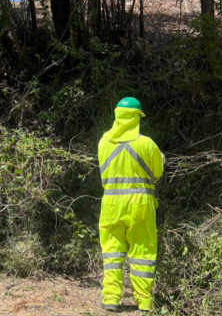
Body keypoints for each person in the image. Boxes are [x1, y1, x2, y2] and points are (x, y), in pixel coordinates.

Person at [98, 97, 164, 313]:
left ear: (117, 115)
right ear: (137, 118)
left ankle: (111, 300)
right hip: (141, 204)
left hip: (110, 204)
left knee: (112, 254)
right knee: (142, 253)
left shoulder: (103, 142)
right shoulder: (146, 143)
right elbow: (158, 172)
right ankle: (144, 303)